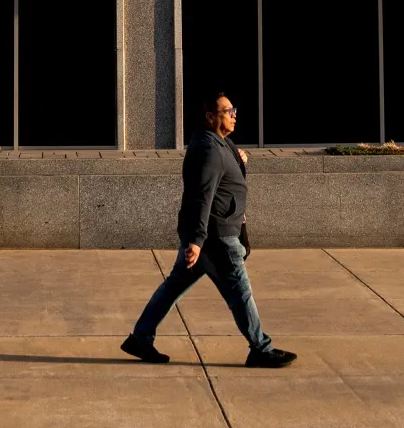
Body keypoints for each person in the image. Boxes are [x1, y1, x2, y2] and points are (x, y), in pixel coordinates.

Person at [121, 93, 296, 369]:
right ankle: (260, 348)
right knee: (240, 292)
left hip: (215, 234)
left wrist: (241, 159)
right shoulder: (209, 150)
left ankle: (141, 337)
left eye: (234, 109)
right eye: (228, 111)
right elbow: (201, 197)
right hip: (216, 238)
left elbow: (228, 176)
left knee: (173, 287)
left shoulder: (218, 142)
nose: (234, 114)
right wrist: (197, 240)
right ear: (211, 117)